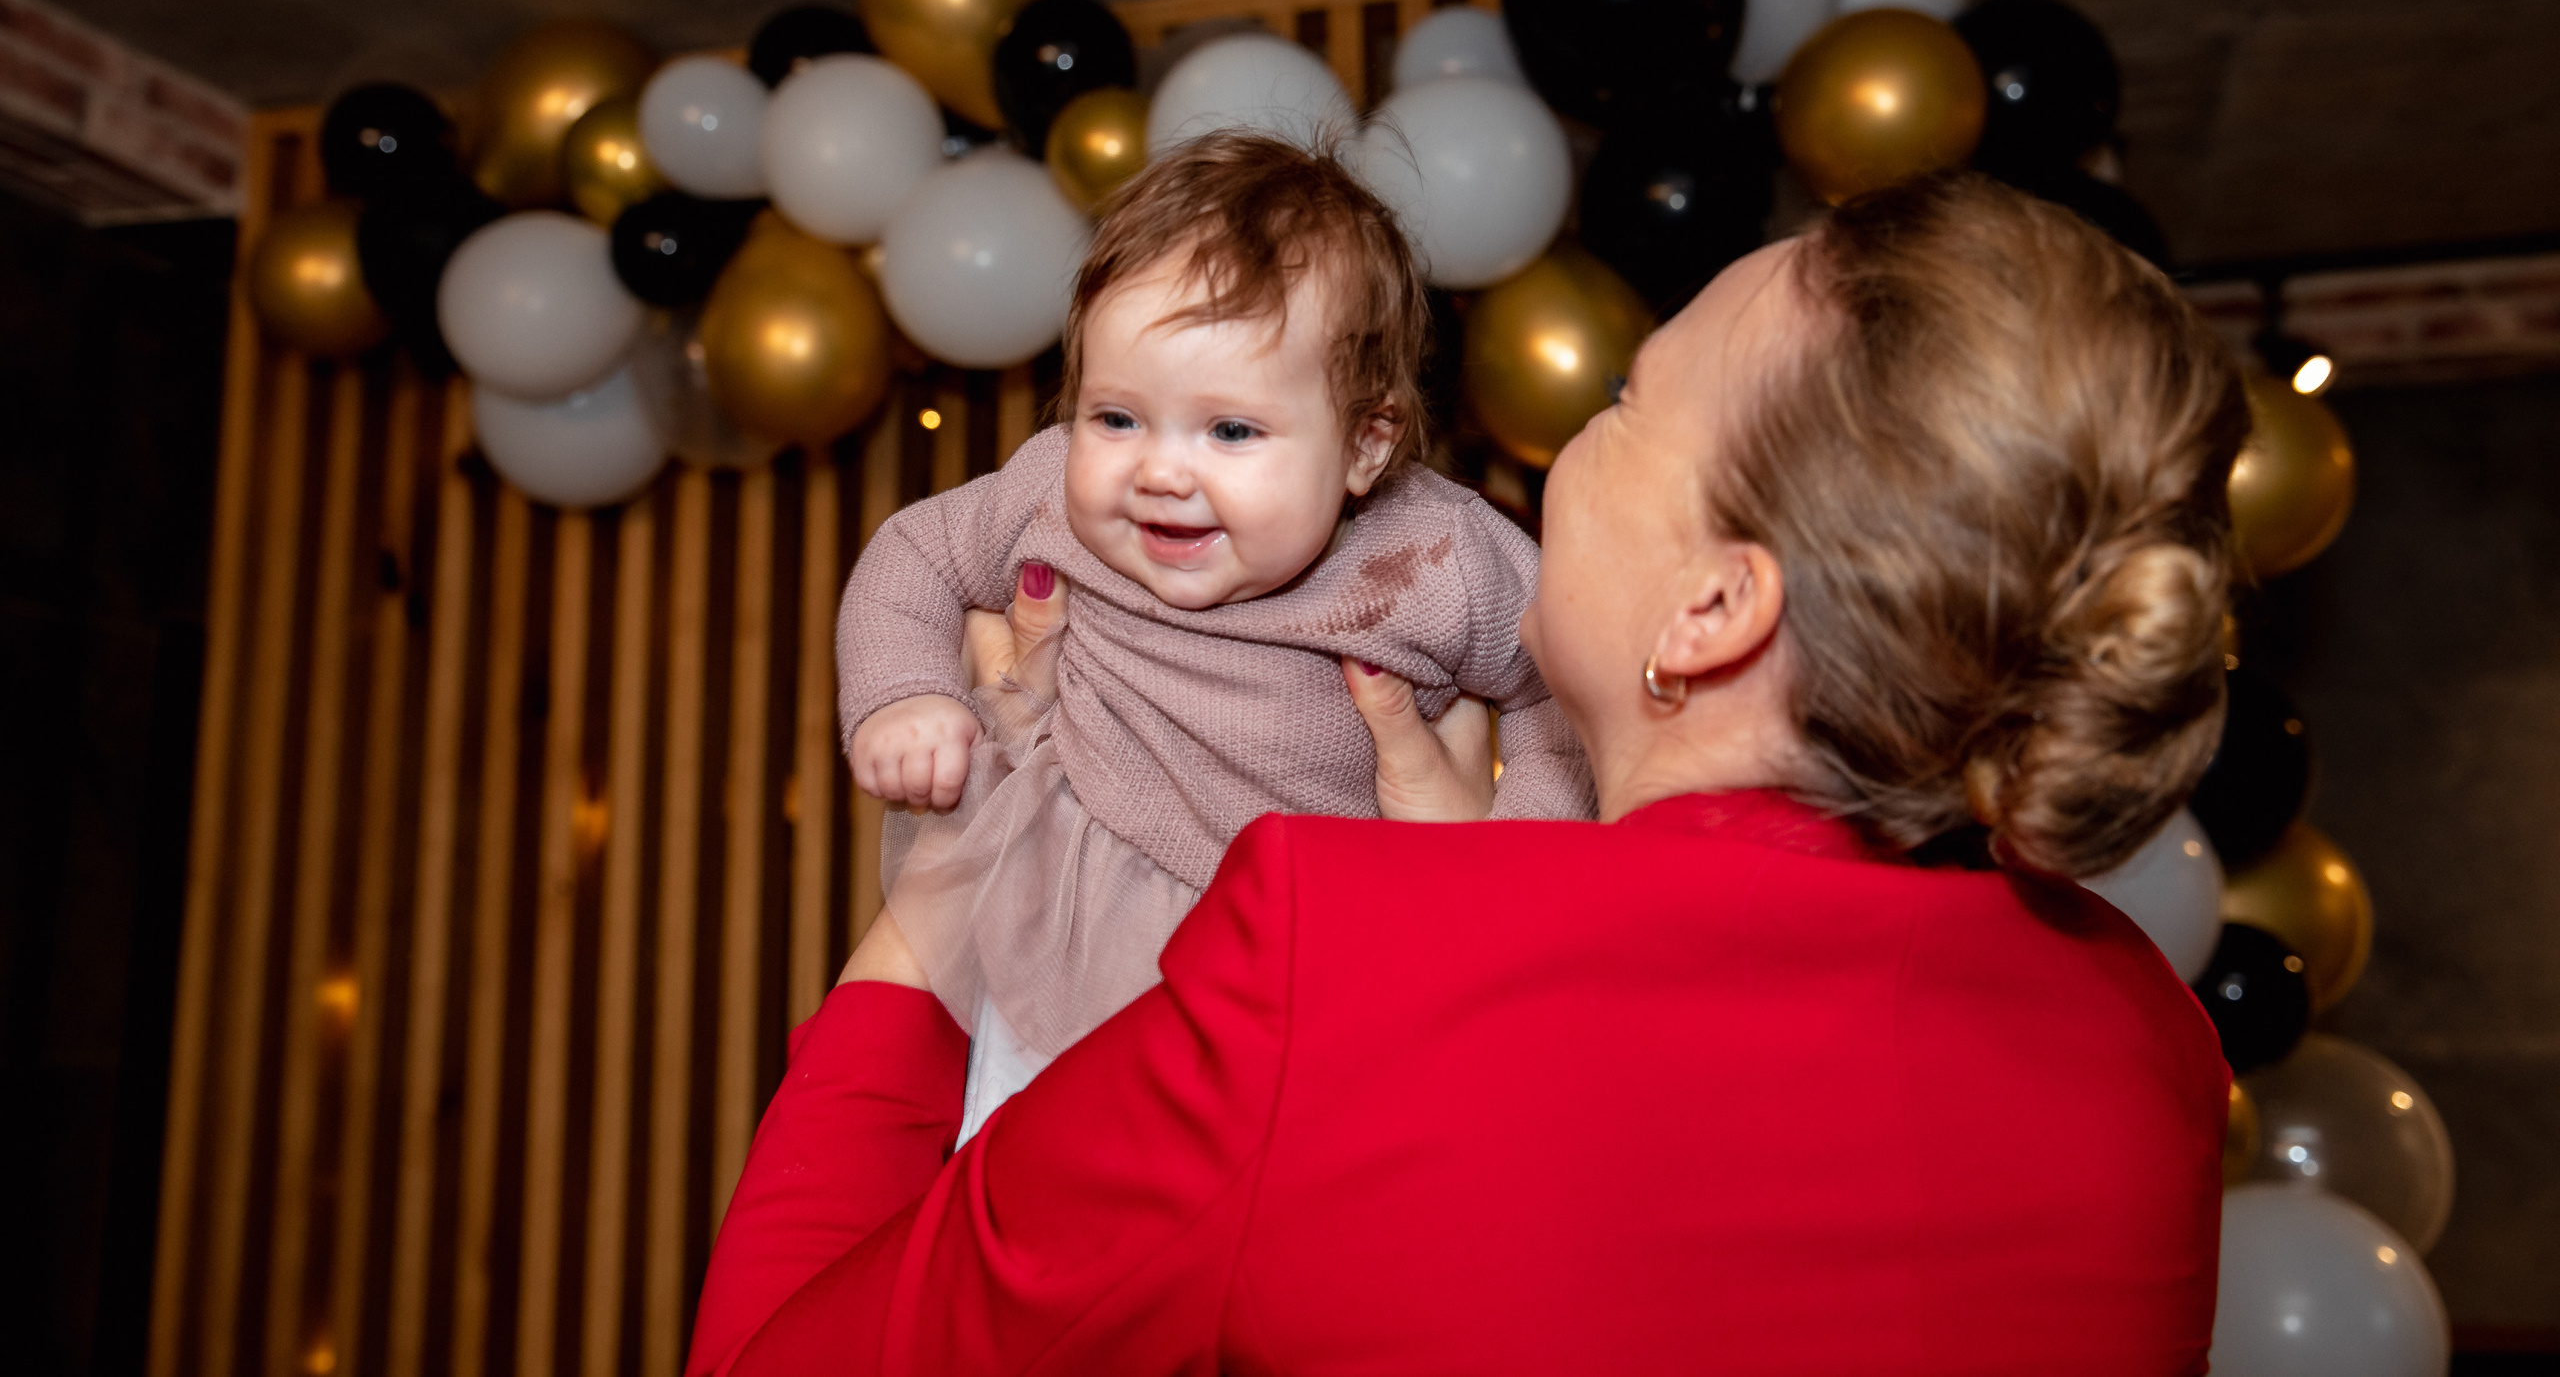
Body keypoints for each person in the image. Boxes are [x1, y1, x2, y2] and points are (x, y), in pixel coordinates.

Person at [691, 172, 2250, 1376]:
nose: (1575, 439)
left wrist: (937, 907)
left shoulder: (1329, 956)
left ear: (1712, 607)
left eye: (1631, 405)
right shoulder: (2148, 1042)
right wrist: (1504, 870)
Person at [835, 132, 1592, 1137]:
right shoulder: (1047, 499)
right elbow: (917, 553)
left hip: (1318, 966)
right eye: (1115, 418)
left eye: (1229, 431)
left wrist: (1518, 845)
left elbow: (1567, 687)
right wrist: (903, 692)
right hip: (1065, 929)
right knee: (1019, 1204)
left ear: (1367, 445)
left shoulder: (1436, 555)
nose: (1159, 471)